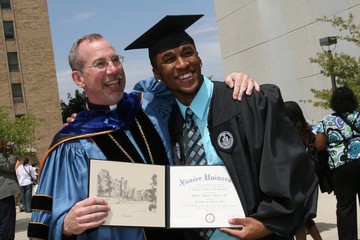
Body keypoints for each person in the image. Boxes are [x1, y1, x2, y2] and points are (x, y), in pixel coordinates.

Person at [28, 33, 259, 240]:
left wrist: (235, 80)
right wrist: (66, 226)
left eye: (115, 59)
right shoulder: (71, 145)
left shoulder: (149, 103)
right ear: (79, 79)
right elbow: (43, 222)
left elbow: (184, 77)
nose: (113, 69)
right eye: (100, 64)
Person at [125, 14, 319, 240]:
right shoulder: (168, 123)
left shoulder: (247, 101)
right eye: (169, 59)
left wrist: (267, 223)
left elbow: (292, 169)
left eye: (188, 53)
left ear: (199, 58)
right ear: (157, 74)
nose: (182, 64)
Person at [315, 86, 360, 240]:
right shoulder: (359, 116)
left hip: (341, 166)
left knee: (345, 206)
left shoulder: (327, 121)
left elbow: (320, 145)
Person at [284, 101, 322, 240]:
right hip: (309, 176)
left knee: (299, 217)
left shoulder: (287, 134)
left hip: (294, 178)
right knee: (304, 215)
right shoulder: (308, 130)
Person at [0, 140, 21, 240]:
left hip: (3, 194)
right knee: (7, 223)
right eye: (0, 142)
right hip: (4, 194)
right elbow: (10, 167)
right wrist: (12, 153)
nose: (3, 144)